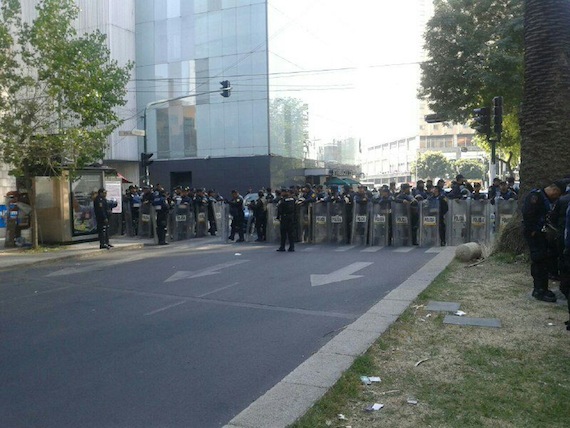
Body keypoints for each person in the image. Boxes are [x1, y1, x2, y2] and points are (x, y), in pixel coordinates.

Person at [521, 181, 567, 302]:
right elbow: (528, 216)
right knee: (538, 261)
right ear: (554, 190)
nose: (556, 198)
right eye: (557, 195)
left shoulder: (544, 198)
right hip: (534, 234)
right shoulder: (535, 197)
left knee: (543, 261)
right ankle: (539, 290)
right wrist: (534, 231)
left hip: (540, 234)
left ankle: (543, 288)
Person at [276, 187, 297, 252]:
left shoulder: (282, 201)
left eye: (282, 192)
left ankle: (282, 247)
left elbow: (279, 210)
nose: (281, 193)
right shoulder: (293, 200)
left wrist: (278, 217)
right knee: (291, 233)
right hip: (291, 217)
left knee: (283, 233)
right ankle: (292, 247)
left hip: (284, 218)